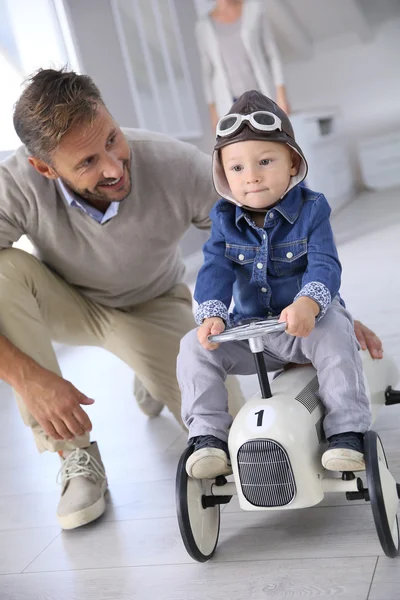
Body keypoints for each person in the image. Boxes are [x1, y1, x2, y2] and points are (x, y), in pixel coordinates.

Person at [0, 69, 381, 531]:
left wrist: (329, 308)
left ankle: (148, 369)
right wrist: (27, 377)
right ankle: (73, 454)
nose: (115, 168)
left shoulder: (179, 166)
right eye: (86, 163)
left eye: (113, 140)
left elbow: (279, 237)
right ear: (44, 167)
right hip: (63, 303)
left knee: (238, 426)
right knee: (5, 273)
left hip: (151, 302)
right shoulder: (15, 182)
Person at [178, 90, 373, 481]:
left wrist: (309, 303)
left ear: (292, 163)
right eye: (236, 168)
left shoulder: (312, 208)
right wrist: (213, 314)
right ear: (223, 175)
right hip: (254, 333)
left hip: (305, 327)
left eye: (265, 162)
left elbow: (324, 264)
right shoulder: (223, 218)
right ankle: (208, 438)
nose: (251, 176)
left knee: (335, 329)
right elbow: (214, 267)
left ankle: (347, 432)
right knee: (193, 347)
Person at [195, 0, 290, 133]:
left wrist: (281, 96)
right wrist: (213, 112)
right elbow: (207, 72)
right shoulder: (203, 26)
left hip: (262, 97)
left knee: (273, 141)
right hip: (230, 104)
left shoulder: (254, 9)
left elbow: (272, 55)